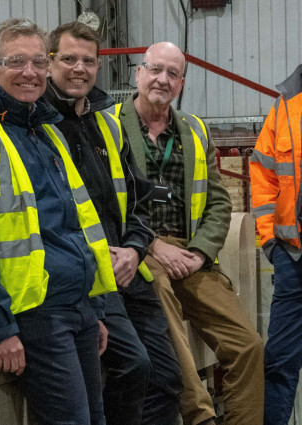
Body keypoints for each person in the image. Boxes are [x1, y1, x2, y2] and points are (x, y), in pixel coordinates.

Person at [0, 18, 117, 425]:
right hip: (36, 314)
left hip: (78, 307)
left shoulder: (46, 132)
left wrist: (95, 308)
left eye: (38, 61)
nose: (30, 73)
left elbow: (74, 225)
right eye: (16, 62)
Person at [111, 42, 264, 425]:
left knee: (249, 345)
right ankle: (201, 417)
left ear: (181, 83)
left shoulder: (194, 130)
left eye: (173, 74)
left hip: (191, 255)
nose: (163, 79)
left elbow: (218, 203)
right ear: (139, 73)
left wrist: (198, 253)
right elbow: (106, 204)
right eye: (156, 69)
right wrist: (153, 245)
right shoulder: (108, 126)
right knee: (162, 308)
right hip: (141, 249)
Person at [44, 22, 182, 425]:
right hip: (86, 275)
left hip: (127, 270)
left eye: (88, 60)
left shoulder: (107, 124)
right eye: (68, 59)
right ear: (50, 61)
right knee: (135, 367)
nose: (79, 69)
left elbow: (137, 201)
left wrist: (136, 248)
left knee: (167, 377)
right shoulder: (41, 130)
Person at [250, 64, 302, 425]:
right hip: (293, 257)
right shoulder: (284, 106)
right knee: (280, 360)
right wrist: (270, 241)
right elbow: (263, 174)